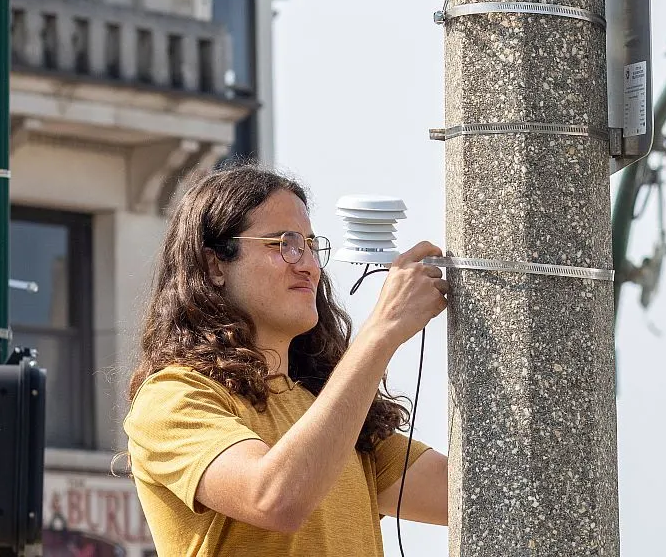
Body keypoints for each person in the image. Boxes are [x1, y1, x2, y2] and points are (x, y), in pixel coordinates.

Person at [122, 164, 449, 556]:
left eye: (312, 245)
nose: (309, 264)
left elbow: (477, 491)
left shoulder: (325, 406)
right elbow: (275, 497)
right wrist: (381, 333)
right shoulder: (173, 397)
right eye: (284, 243)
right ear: (214, 265)